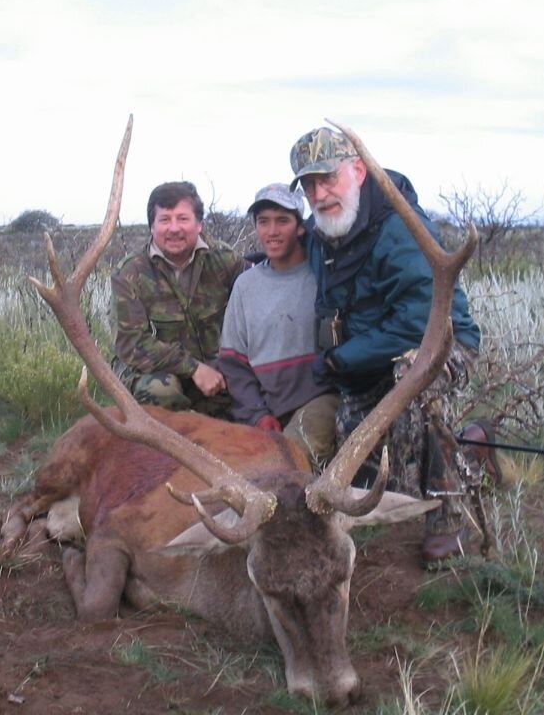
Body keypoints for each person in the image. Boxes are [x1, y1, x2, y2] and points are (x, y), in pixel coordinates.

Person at [289, 126, 496, 566]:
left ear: (359, 171)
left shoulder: (401, 230)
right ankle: (471, 446)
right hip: (368, 358)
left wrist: (341, 358)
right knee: (362, 451)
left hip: (436, 345)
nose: (320, 192)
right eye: (309, 184)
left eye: (328, 178)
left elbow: (417, 327)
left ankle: (448, 516)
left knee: (414, 388)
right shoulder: (322, 230)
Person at [217, 184, 339, 464]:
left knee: (290, 462)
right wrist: (257, 415)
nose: (272, 231)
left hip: (318, 398)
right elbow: (234, 364)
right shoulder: (246, 286)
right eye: (264, 222)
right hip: (265, 407)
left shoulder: (324, 277)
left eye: (282, 221)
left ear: (299, 226)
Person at [111, 181, 246, 418]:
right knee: (160, 391)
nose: (174, 228)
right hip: (151, 372)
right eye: (165, 220)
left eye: (183, 218)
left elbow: (251, 316)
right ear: (152, 226)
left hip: (215, 372)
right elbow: (131, 343)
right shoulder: (130, 272)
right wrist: (193, 368)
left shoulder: (226, 261)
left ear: (199, 224)